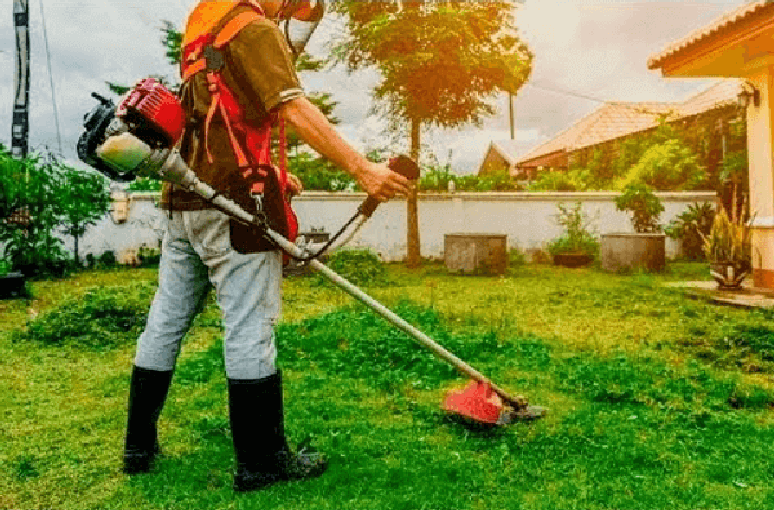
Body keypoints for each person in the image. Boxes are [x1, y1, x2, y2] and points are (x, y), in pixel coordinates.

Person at [122, 0, 410, 493]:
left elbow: (218, 116)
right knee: (249, 324)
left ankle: (138, 447)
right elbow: (292, 106)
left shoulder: (203, 26)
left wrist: (271, 172)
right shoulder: (253, 29)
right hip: (229, 204)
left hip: (182, 196)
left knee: (166, 320)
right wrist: (365, 170)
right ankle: (262, 460)